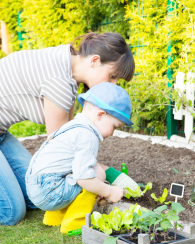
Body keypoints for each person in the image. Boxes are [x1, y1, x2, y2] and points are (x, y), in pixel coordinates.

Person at [0, 32, 134, 225]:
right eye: (112, 76)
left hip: (1, 134)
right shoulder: (61, 82)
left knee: (34, 197)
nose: (112, 85)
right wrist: (107, 178)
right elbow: (64, 152)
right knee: (11, 211)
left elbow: (73, 139)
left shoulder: (66, 64)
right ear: (95, 61)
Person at [25, 82, 133, 212]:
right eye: (114, 127)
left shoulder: (73, 126)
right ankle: (75, 219)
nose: (112, 133)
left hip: (34, 186)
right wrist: (109, 191)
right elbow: (83, 178)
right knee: (98, 173)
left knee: (92, 170)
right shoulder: (87, 136)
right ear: (100, 115)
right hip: (50, 193)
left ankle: (56, 216)